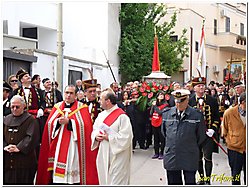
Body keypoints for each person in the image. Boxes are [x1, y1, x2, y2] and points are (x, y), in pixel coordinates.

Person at [36, 85, 98, 185]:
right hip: (58, 144)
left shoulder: (82, 108)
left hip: (73, 145)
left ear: (76, 95)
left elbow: (85, 127)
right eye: (66, 93)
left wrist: (70, 122)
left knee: (72, 166)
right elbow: (49, 124)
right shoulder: (57, 107)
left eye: (71, 93)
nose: (68, 95)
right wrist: (57, 122)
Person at [161, 89, 207, 185]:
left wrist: (189, 145)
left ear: (187, 100)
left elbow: (201, 136)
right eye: (176, 101)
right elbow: (164, 133)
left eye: (181, 101)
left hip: (189, 155)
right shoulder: (167, 114)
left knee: (190, 182)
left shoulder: (197, 115)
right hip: (172, 155)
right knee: (173, 182)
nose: (178, 104)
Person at [91, 88, 133, 185]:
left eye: (101, 99)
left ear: (108, 101)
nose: (99, 102)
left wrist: (108, 137)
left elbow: (126, 137)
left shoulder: (122, 117)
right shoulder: (101, 115)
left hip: (118, 156)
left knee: (116, 181)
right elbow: (95, 130)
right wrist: (96, 136)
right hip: (103, 152)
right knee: (104, 180)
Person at [188, 72, 220, 185]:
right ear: (194, 88)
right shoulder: (190, 100)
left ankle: (208, 180)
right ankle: (201, 178)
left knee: (208, 158)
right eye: (198, 86)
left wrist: (213, 129)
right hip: (195, 136)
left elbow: (217, 117)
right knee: (197, 158)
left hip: (208, 135)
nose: (201, 87)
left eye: (202, 85)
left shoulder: (212, 100)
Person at [4, 95, 40, 184]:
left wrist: (19, 147)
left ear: (23, 106)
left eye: (17, 107)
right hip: (7, 160)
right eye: (12, 107)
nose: (14, 109)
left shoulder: (30, 120)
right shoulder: (6, 119)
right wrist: (4, 146)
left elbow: (32, 137)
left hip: (24, 161)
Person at [223, 92, 246, 185]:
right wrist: (230, 141)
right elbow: (224, 130)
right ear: (243, 102)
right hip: (234, 149)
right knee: (235, 174)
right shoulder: (229, 113)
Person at [150, 91, 168, 159]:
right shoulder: (155, 104)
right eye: (159, 95)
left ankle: (162, 153)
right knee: (155, 139)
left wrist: (155, 106)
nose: (161, 96)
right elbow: (151, 113)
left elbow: (160, 113)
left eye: (162, 95)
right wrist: (153, 106)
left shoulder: (165, 105)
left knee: (162, 139)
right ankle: (156, 153)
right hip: (154, 122)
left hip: (161, 123)